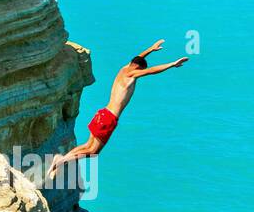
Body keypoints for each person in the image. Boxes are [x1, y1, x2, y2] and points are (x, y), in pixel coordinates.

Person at [46, 39, 188, 179]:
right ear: (138, 68)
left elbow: (138, 58)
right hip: (109, 118)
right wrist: (172, 64)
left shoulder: (125, 68)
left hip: (103, 113)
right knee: (93, 151)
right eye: (140, 71)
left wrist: (151, 49)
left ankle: (62, 159)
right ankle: (61, 162)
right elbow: (151, 71)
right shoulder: (131, 73)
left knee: (87, 146)